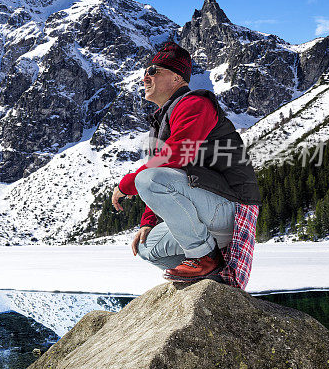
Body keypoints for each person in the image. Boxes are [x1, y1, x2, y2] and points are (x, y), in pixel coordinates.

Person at [111, 42, 262, 282]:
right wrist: (149, 221)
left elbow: (176, 155)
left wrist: (127, 185)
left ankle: (203, 257)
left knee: (147, 178)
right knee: (147, 247)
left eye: (153, 71)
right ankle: (207, 275)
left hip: (232, 208)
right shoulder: (164, 118)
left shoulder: (195, 104)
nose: (145, 78)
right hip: (208, 206)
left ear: (176, 77)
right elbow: (169, 172)